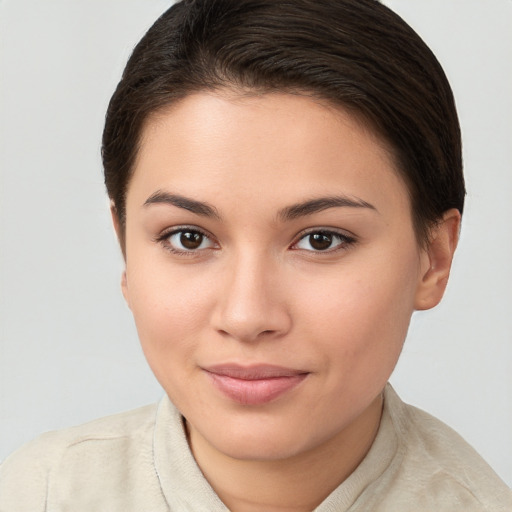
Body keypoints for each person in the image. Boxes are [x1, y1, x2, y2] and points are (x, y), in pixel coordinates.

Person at [1, 0, 511, 510]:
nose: (247, 317)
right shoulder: (36, 494)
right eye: (189, 238)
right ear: (126, 249)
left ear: (434, 259)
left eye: (321, 239)